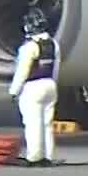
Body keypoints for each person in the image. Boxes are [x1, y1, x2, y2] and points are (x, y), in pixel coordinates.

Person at [7, 11, 59, 166]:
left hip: (33, 86)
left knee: (33, 123)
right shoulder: (53, 44)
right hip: (49, 84)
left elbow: (22, 71)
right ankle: (47, 156)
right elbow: (56, 67)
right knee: (47, 123)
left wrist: (14, 91)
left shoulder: (29, 47)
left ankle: (34, 156)